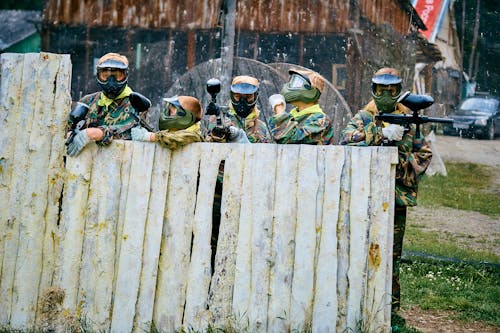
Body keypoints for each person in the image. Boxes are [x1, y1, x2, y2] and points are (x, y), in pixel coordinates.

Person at [340, 67, 433, 329]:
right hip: (364, 195)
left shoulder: (409, 119)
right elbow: (346, 141)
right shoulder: (364, 116)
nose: (386, 95)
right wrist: (380, 135)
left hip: (395, 198)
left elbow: (423, 157)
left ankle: (390, 310)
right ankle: (357, 304)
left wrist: (398, 163)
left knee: (391, 256)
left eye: (391, 90)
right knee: (358, 249)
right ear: (374, 90)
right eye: (381, 90)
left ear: (398, 90)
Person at [66, 52, 150, 156]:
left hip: (124, 164)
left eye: (117, 76)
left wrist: (95, 133)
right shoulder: (88, 101)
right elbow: (67, 128)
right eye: (105, 76)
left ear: (125, 76)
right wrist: (70, 134)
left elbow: (132, 132)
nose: (111, 81)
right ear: (98, 76)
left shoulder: (136, 103)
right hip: (85, 164)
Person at [268, 68, 334, 144]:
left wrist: (280, 112)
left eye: (297, 83)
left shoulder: (321, 120)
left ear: (311, 92)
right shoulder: (293, 116)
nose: (289, 87)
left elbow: (289, 140)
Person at [203, 75, 271, 143]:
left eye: (249, 96)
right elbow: (208, 147)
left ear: (255, 96)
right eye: (237, 96)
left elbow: (268, 151)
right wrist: (219, 132)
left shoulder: (261, 127)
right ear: (232, 96)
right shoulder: (219, 119)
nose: (243, 101)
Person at [131, 95, 203, 149]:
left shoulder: (193, 135)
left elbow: (175, 139)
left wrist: (151, 137)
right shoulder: (174, 132)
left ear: (187, 117)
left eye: (174, 107)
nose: (170, 109)